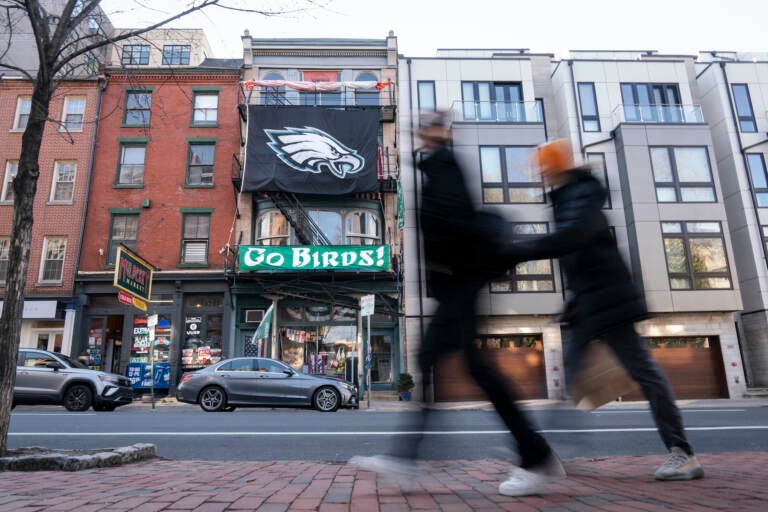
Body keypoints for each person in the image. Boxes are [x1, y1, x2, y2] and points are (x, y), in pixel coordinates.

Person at [350, 112, 566, 496]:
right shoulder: (438, 167)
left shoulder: (444, 166)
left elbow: (457, 223)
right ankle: (408, 458)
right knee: (442, 363)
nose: (422, 137)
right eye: (422, 131)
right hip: (457, 285)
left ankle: (536, 457)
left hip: (461, 284)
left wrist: (451, 268)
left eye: (429, 130)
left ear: (440, 134)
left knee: (473, 369)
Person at [514, 138, 704, 481]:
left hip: (608, 300)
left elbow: (574, 236)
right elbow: (577, 256)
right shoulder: (565, 197)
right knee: (570, 378)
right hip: (587, 301)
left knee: (644, 372)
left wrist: (520, 249)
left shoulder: (581, 193)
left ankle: (682, 452)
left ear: (557, 165)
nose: (539, 173)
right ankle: (548, 455)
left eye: (544, 166)